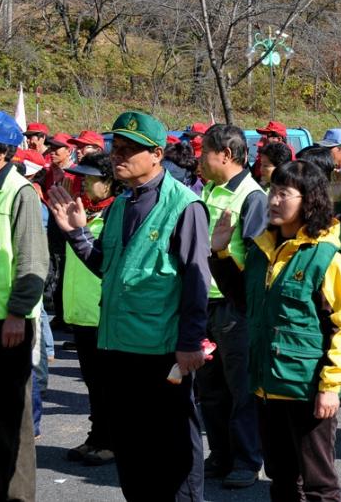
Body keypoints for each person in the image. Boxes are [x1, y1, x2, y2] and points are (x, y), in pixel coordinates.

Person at [49, 111, 210, 499]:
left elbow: (196, 281)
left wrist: (190, 343)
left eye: (128, 149)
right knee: (132, 451)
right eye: (116, 147)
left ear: (156, 154)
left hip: (161, 351)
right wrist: (77, 234)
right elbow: (108, 267)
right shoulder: (121, 204)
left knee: (172, 452)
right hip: (117, 347)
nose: (117, 156)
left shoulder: (184, 205)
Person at [210, 160, 341, 501]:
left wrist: (331, 387)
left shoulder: (325, 257)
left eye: (284, 194)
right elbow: (244, 300)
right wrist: (219, 253)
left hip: (306, 388)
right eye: (272, 192)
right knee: (281, 478)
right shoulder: (262, 249)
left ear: (309, 201)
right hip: (266, 385)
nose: (273, 201)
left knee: (319, 484)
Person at [0, 111, 48, 502]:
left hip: (7, 323)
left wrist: (16, 313)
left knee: (11, 418)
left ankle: (17, 497)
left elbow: (32, 262)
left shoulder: (19, 192)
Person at [197, 124, 268, 488]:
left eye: (205, 152)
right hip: (204, 303)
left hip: (234, 307)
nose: (199, 159)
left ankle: (246, 459)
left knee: (241, 387)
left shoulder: (252, 196)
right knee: (209, 388)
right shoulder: (209, 189)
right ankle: (221, 454)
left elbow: (257, 260)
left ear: (226, 154)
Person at [62, 152, 121, 466]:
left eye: (90, 177)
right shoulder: (85, 211)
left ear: (109, 182)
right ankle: (97, 436)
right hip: (81, 313)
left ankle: (112, 440)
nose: (83, 182)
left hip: (103, 314)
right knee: (94, 384)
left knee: (108, 385)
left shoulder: (116, 213)